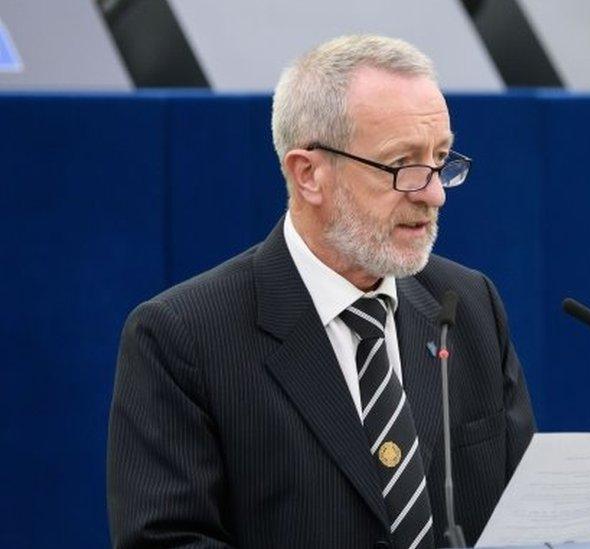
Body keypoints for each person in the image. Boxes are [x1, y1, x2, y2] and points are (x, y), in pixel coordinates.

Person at [107, 35, 535, 549]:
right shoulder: (183, 337)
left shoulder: (468, 305)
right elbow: (166, 541)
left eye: (441, 160)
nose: (434, 193)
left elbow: (521, 508)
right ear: (308, 174)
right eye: (403, 165)